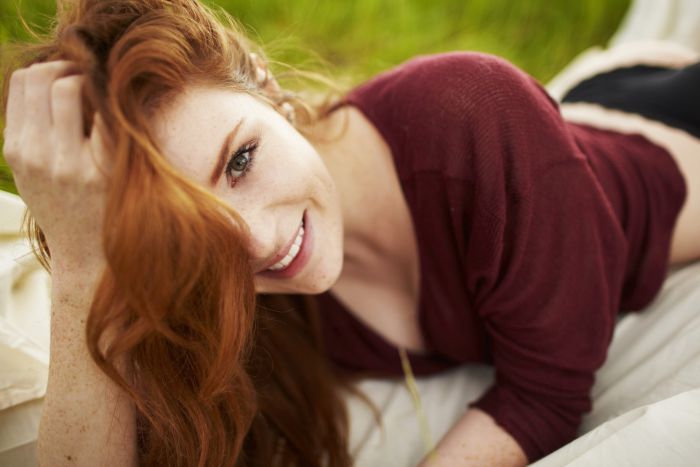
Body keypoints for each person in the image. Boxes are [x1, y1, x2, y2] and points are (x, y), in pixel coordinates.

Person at [2, 0, 699, 466]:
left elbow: (547, 393)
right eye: (198, 233)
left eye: (241, 160)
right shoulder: (220, 282)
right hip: (576, 135)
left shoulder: (471, 114)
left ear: (267, 87)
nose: (258, 241)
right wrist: (82, 262)